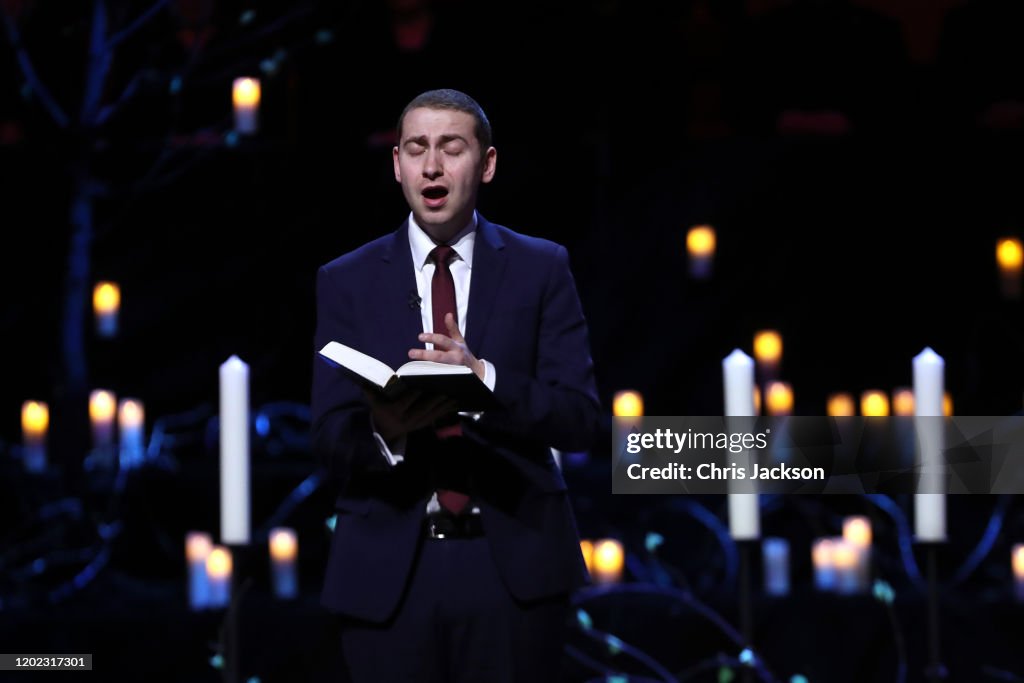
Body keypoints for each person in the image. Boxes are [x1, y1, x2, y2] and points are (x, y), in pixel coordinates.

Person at [311, 88, 602, 682]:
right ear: (396, 164)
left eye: (451, 148)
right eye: (416, 149)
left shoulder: (541, 267)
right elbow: (328, 436)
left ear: (487, 164)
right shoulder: (347, 279)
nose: (433, 166)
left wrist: (486, 382)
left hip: (512, 570)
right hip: (390, 575)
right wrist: (385, 433)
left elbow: (579, 419)